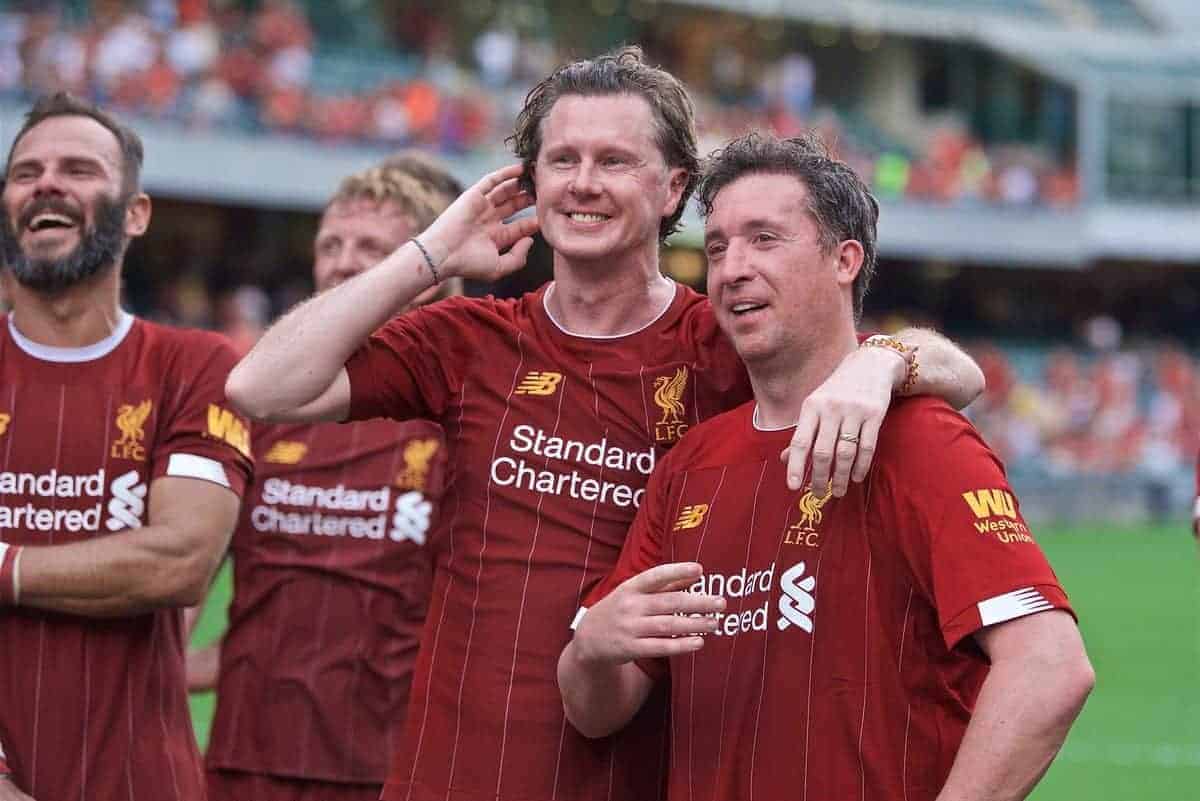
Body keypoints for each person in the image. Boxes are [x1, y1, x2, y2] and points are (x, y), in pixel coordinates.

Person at [226, 47, 985, 801]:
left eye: (614, 160)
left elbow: (960, 375)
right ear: (533, 182)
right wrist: (427, 255)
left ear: (673, 188)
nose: (583, 182)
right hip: (445, 776)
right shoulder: (470, 341)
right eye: (562, 160)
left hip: (626, 774)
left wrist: (881, 362)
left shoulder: (722, 342)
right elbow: (261, 384)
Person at [559, 132, 1094, 801]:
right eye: (719, 245)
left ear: (845, 260)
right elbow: (594, 708)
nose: (731, 268)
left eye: (764, 238)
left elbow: (1050, 666)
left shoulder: (924, 440)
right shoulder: (690, 464)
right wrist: (591, 649)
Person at [0, 93, 253, 800]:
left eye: (78, 168)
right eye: (26, 173)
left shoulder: (194, 364)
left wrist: (5, 564)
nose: (47, 183)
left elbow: (180, 559)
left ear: (135, 213)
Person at [188, 155, 462, 801]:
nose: (342, 261)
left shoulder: (456, 415)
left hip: (392, 763)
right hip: (244, 758)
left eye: (371, 247)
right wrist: (189, 666)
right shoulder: (265, 405)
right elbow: (189, 570)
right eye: (330, 244)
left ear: (422, 270)